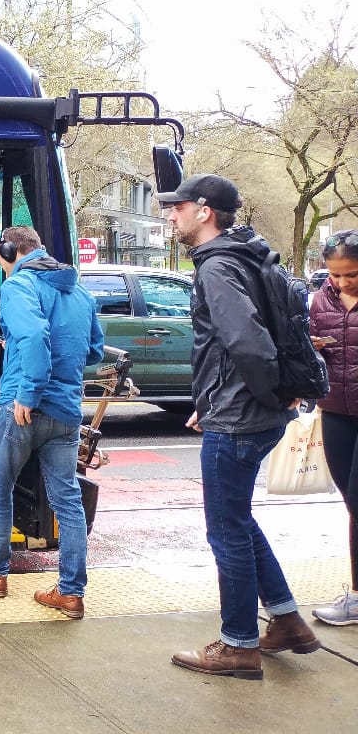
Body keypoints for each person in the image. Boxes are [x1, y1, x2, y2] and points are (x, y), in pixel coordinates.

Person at [159, 174, 318, 680]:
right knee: (239, 520)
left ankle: (238, 645)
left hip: (240, 418)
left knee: (226, 530)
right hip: (241, 409)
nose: (171, 215)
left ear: (204, 211)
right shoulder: (244, 256)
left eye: (178, 207)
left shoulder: (218, 267)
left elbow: (245, 341)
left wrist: (261, 395)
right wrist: (211, 400)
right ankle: (287, 622)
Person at [0, 226, 103, 618]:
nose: (3, 267)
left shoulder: (18, 286)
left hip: (22, 408)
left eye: (1, 260)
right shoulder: (80, 292)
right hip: (66, 412)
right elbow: (92, 351)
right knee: (67, 502)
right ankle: (70, 593)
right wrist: (19, 347)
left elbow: (37, 334)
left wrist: (29, 390)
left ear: (10, 251)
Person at [308, 229, 358, 626]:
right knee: (351, 504)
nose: (342, 282)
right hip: (336, 410)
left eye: (351, 274)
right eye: (335, 274)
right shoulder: (321, 300)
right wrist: (310, 346)